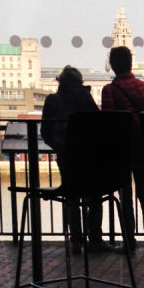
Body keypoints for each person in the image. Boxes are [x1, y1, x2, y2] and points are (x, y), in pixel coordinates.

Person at [41, 65, 113, 254]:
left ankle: (75, 242)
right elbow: (98, 126)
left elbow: (45, 132)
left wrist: (59, 147)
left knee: (71, 196)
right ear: (79, 82)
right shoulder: (85, 98)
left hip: (65, 157)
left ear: (60, 82)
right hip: (88, 157)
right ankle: (95, 239)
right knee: (95, 195)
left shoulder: (52, 101)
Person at [101, 46, 144, 252]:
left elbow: (109, 121)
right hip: (142, 145)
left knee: (125, 196)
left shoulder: (109, 90)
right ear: (131, 63)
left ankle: (129, 241)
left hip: (122, 145)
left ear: (113, 65)